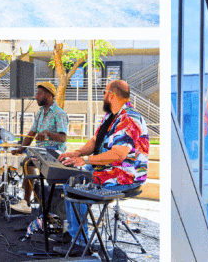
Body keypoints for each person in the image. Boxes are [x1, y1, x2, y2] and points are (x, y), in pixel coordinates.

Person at [55, 80, 149, 256]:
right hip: (108, 170)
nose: (103, 96)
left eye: (104, 93)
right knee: (71, 179)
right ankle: (76, 235)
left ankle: (81, 242)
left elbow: (118, 154)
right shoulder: (112, 116)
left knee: (76, 185)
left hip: (125, 176)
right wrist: (77, 153)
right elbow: (94, 141)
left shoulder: (129, 118)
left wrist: (86, 160)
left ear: (111, 95)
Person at [14, 81, 70, 214]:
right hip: (40, 151)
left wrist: (48, 133)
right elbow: (31, 133)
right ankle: (26, 202)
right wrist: (20, 149)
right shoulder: (39, 113)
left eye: (39, 94)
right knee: (27, 162)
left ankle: (39, 202)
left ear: (49, 95)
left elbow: (63, 138)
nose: (36, 97)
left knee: (29, 163)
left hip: (54, 151)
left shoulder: (59, 113)